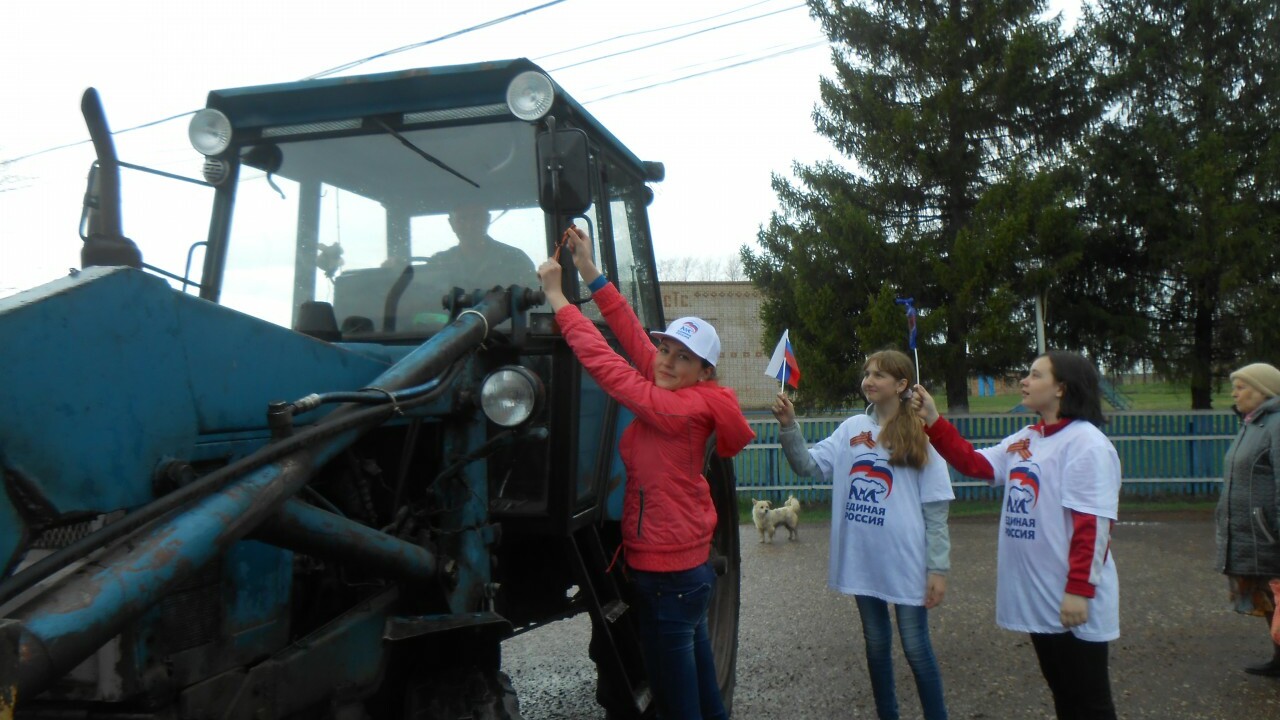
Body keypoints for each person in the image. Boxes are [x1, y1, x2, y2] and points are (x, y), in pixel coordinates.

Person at [536, 225, 755, 719]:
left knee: (678, 708)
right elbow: (633, 336)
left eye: (684, 357)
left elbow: (608, 367)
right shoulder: (681, 390)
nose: (668, 362)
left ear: (705, 372)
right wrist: (588, 270)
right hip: (684, 573)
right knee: (704, 696)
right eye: (667, 350)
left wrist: (559, 299)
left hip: (668, 578)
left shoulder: (677, 410)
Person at [911, 351, 1120, 719]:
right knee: (1064, 695)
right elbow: (975, 463)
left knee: (1091, 703)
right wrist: (932, 419)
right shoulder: (1029, 437)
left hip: (1073, 596)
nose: (1024, 381)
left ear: (1061, 388)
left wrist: (1079, 590)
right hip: (1042, 596)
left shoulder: (1087, 444)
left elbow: (1093, 524)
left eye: (1035, 375)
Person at [771, 349, 953, 720]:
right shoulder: (852, 428)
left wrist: (938, 567)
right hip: (862, 558)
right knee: (876, 644)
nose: (868, 380)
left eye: (878, 375)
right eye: (867, 373)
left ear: (901, 384)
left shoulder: (922, 433)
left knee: (916, 648)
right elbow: (807, 465)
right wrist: (789, 426)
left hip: (907, 561)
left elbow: (936, 510)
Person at [1215, 362, 1280, 677]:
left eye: (1241, 387)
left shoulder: (1277, 425)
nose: (1234, 393)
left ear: (1263, 391)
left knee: (1277, 594)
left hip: (1268, 533)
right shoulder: (1253, 424)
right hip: (1255, 533)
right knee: (1270, 596)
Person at [423, 204, 537, 293]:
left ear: (487, 220)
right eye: (462, 219)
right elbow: (426, 303)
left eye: (476, 217)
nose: (470, 226)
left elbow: (535, 304)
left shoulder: (515, 259)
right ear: (452, 224)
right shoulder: (438, 263)